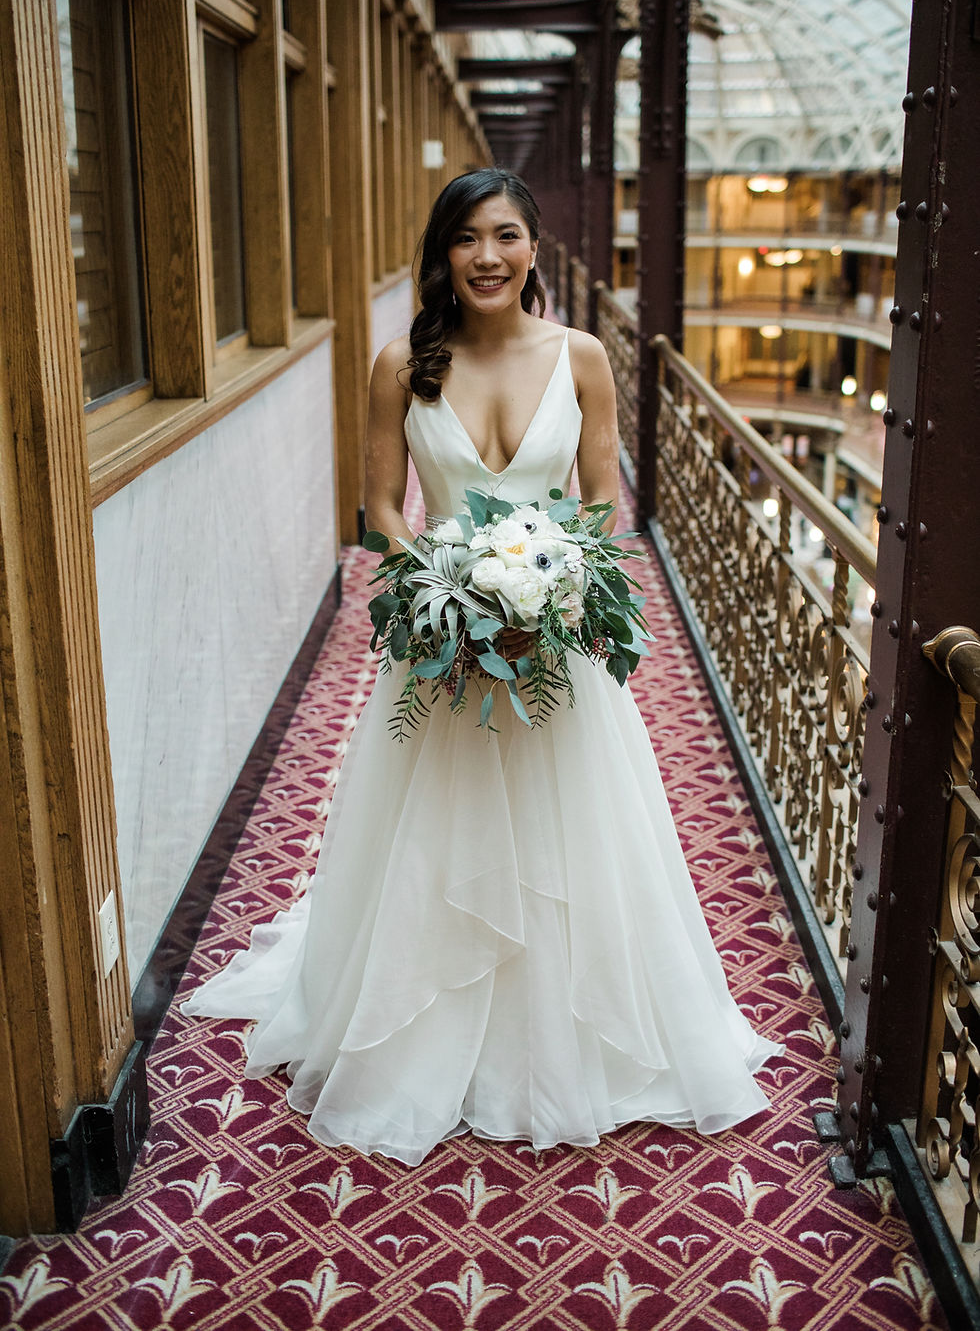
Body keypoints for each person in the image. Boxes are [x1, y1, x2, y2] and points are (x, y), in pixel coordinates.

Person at [182, 169, 781, 1165]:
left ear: (534, 248)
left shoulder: (581, 356)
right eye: (466, 239)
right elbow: (379, 507)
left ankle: (566, 1034)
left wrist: (549, 591)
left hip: (552, 639)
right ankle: (426, 1033)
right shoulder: (398, 366)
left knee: (571, 839)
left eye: (505, 235)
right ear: (441, 255)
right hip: (442, 641)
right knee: (436, 833)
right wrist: (445, 585)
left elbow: (598, 501)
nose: (488, 256)